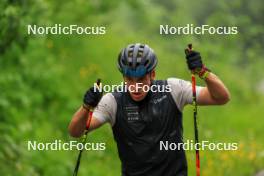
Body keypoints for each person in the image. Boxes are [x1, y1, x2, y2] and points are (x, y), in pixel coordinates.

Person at [68, 43, 230, 176]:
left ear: (152, 74)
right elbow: (76, 132)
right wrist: (86, 107)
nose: (135, 86)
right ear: (123, 77)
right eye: (129, 79)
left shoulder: (173, 89)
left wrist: (202, 72)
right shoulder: (113, 101)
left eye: (141, 79)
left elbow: (221, 97)